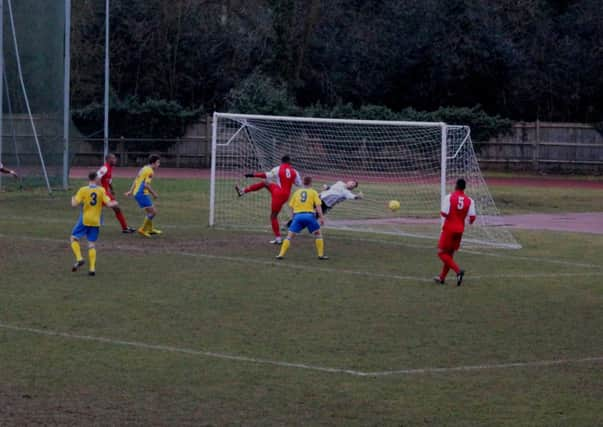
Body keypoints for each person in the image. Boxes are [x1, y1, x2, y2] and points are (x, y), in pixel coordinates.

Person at [235, 155, 302, 244]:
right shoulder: (295, 171)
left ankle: (278, 239)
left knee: (273, 216)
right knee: (265, 183)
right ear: (290, 162)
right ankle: (243, 191)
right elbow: (299, 183)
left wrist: (252, 175)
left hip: (278, 195)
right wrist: (290, 180)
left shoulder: (278, 169)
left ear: (281, 161)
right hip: (285, 195)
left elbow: (265, 175)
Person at [70, 171, 118, 276]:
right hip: (96, 221)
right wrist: (115, 203)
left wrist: (72, 198)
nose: (99, 179)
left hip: (85, 219)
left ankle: (79, 258)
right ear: (95, 179)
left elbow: (74, 204)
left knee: (73, 238)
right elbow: (109, 204)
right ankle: (92, 269)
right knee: (91, 244)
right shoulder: (101, 190)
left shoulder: (83, 190)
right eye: (98, 178)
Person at [434, 178, 476, 286]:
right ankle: (442, 278)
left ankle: (458, 271)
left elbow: (443, 213)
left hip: (449, 229)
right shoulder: (470, 200)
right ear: (464, 188)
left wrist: (452, 216)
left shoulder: (449, 197)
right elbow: (472, 218)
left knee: (441, 253)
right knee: (450, 255)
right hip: (460, 230)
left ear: (456, 186)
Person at [276, 176, 328, 260]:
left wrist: (293, 218)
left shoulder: (297, 192)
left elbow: (292, 207)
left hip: (298, 216)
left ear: (303, 182)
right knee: (318, 235)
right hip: (309, 216)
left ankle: (281, 254)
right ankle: (320, 255)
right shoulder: (313, 192)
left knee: (289, 236)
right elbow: (318, 207)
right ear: (311, 183)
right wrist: (322, 218)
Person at [97, 153, 135, 233]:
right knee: (93, 210)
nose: (115, 160)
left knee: (117, 209)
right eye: (113, 158)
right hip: (102, 194)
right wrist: (100, 190)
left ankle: (125, 228)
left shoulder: (110, 168)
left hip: (106, 194)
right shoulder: (104, 168)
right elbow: (96, 178)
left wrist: (112, 189)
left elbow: (109, 181)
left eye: (115, 158)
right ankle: (125, 228)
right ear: (108, 160)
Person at [125, 154, 161, 238]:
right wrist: (154, 193)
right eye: (158, 162)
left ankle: (150, 229)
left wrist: (131, 191)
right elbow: (146, 185)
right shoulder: (150, 171)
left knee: (151, 211)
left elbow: (136, 180)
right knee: (153, 212)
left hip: (139, 193)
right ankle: (142, 229)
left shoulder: (144, 168)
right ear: (154, 163)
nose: (159, 164)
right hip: (141, 194)